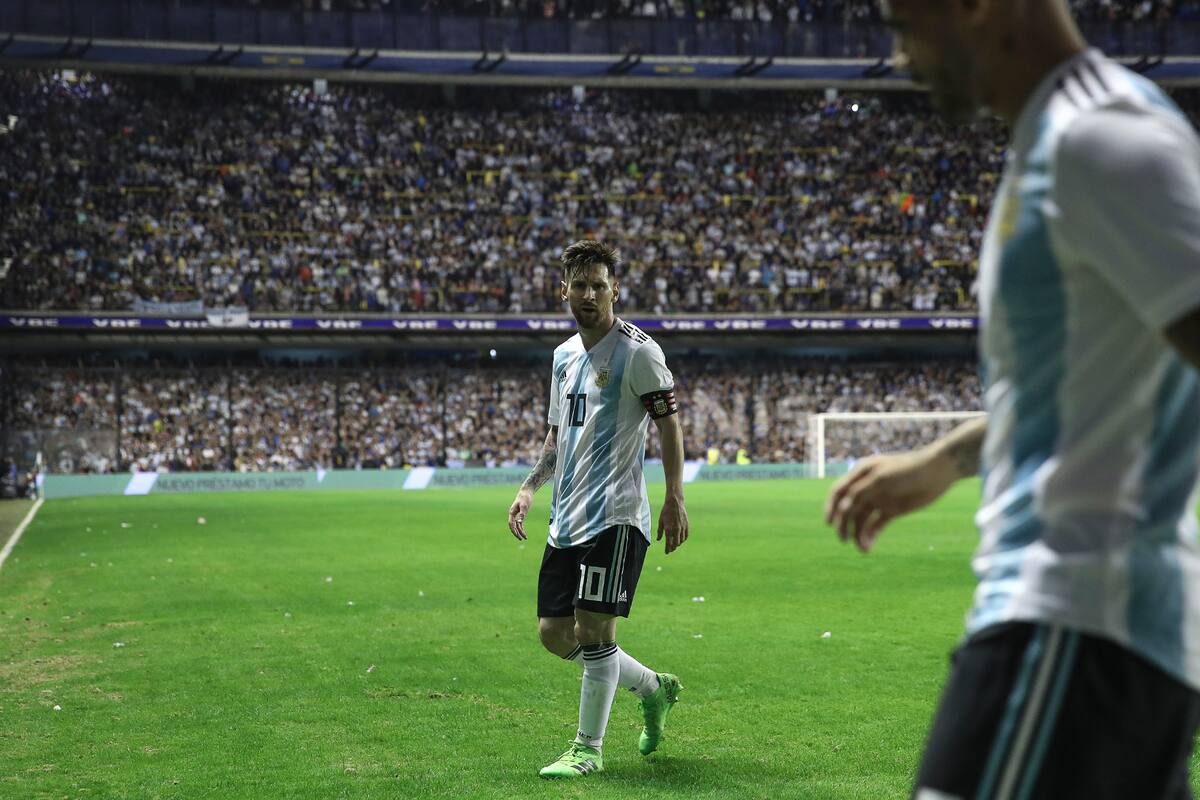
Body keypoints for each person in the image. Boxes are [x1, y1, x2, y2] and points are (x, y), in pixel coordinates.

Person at [826, 1, 1200, 798]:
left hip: (1075, 623)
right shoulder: (1062, 141)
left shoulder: (1100, 140)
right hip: (1096, 636)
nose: (899, 57)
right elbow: (1085, 388)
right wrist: (945, 459)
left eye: (905, 24)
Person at [507, 239, 690, 779]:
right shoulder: (563, 356)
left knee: (594, 628)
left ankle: (588, 748)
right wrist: (528, 488)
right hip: (567, 517)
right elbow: (556, 435)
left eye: (599, 285)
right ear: (563, 290)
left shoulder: (638, 352)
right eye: (580, 285)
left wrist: (676, 496)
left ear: (615, 290)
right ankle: (653, 689)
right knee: (554, 633)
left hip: (617, 515)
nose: (589, 294)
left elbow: (669, 426)